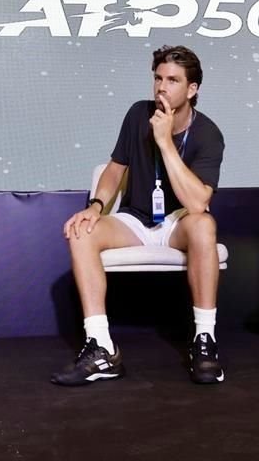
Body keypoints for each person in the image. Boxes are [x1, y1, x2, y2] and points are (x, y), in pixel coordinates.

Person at [51, 45, 225, 386]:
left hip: (178, 221)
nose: (162, 87)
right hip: (135, 219)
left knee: (205, 225)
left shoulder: (208, 134)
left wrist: (165, 142)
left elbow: (197, 204)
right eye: (158, 78)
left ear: (192, 89)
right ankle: (101, 347)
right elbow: (115, 171)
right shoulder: (137, 114)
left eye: (173, 80)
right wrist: (96, 207)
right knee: (81, 230)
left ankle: (204, 342)